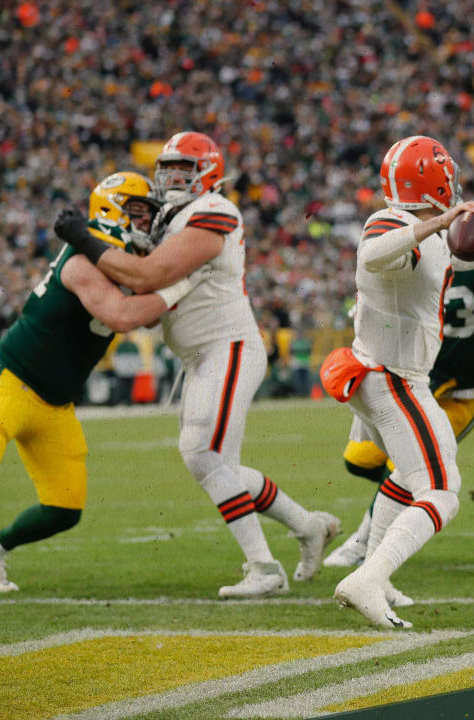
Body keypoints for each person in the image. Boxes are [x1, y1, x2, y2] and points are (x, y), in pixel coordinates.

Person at [55, 132, 340, 598]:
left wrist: (86, 243)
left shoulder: (215, 210)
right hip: (203, 355)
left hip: (227, 346)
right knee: (219, 464)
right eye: (164, 169)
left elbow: (148, 276)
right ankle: (309, 526)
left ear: (206, 173)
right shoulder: (171, 219)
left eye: (181, 170)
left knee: (201, 453)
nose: (169, 179)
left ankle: (264, 567)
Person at [0, 172, 198, 591]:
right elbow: (123, 316)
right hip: (13, 381)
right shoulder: (82, 261)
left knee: (64, 509)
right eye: (139, 212)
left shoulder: (119, 261)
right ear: (113, 210)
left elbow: (150, 305)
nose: (146, 223)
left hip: (56, 403)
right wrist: (186, 282)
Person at [322, 135, 474, 628]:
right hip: (394, 379)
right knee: (442, 491)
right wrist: (438, 223)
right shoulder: (392, 223)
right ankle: (367, 578)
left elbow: (456, 259)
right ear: (433, 183)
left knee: (408, 477)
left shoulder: (419, 231)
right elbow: (373, 252)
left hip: (387, 375)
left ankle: (373, 574)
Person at [323, 261, 474, 579]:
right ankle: (407, 504)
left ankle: (366, 545)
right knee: (359, 459)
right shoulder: (419, 258)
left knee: (405, 468)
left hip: (462, 389)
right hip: (416, 376)